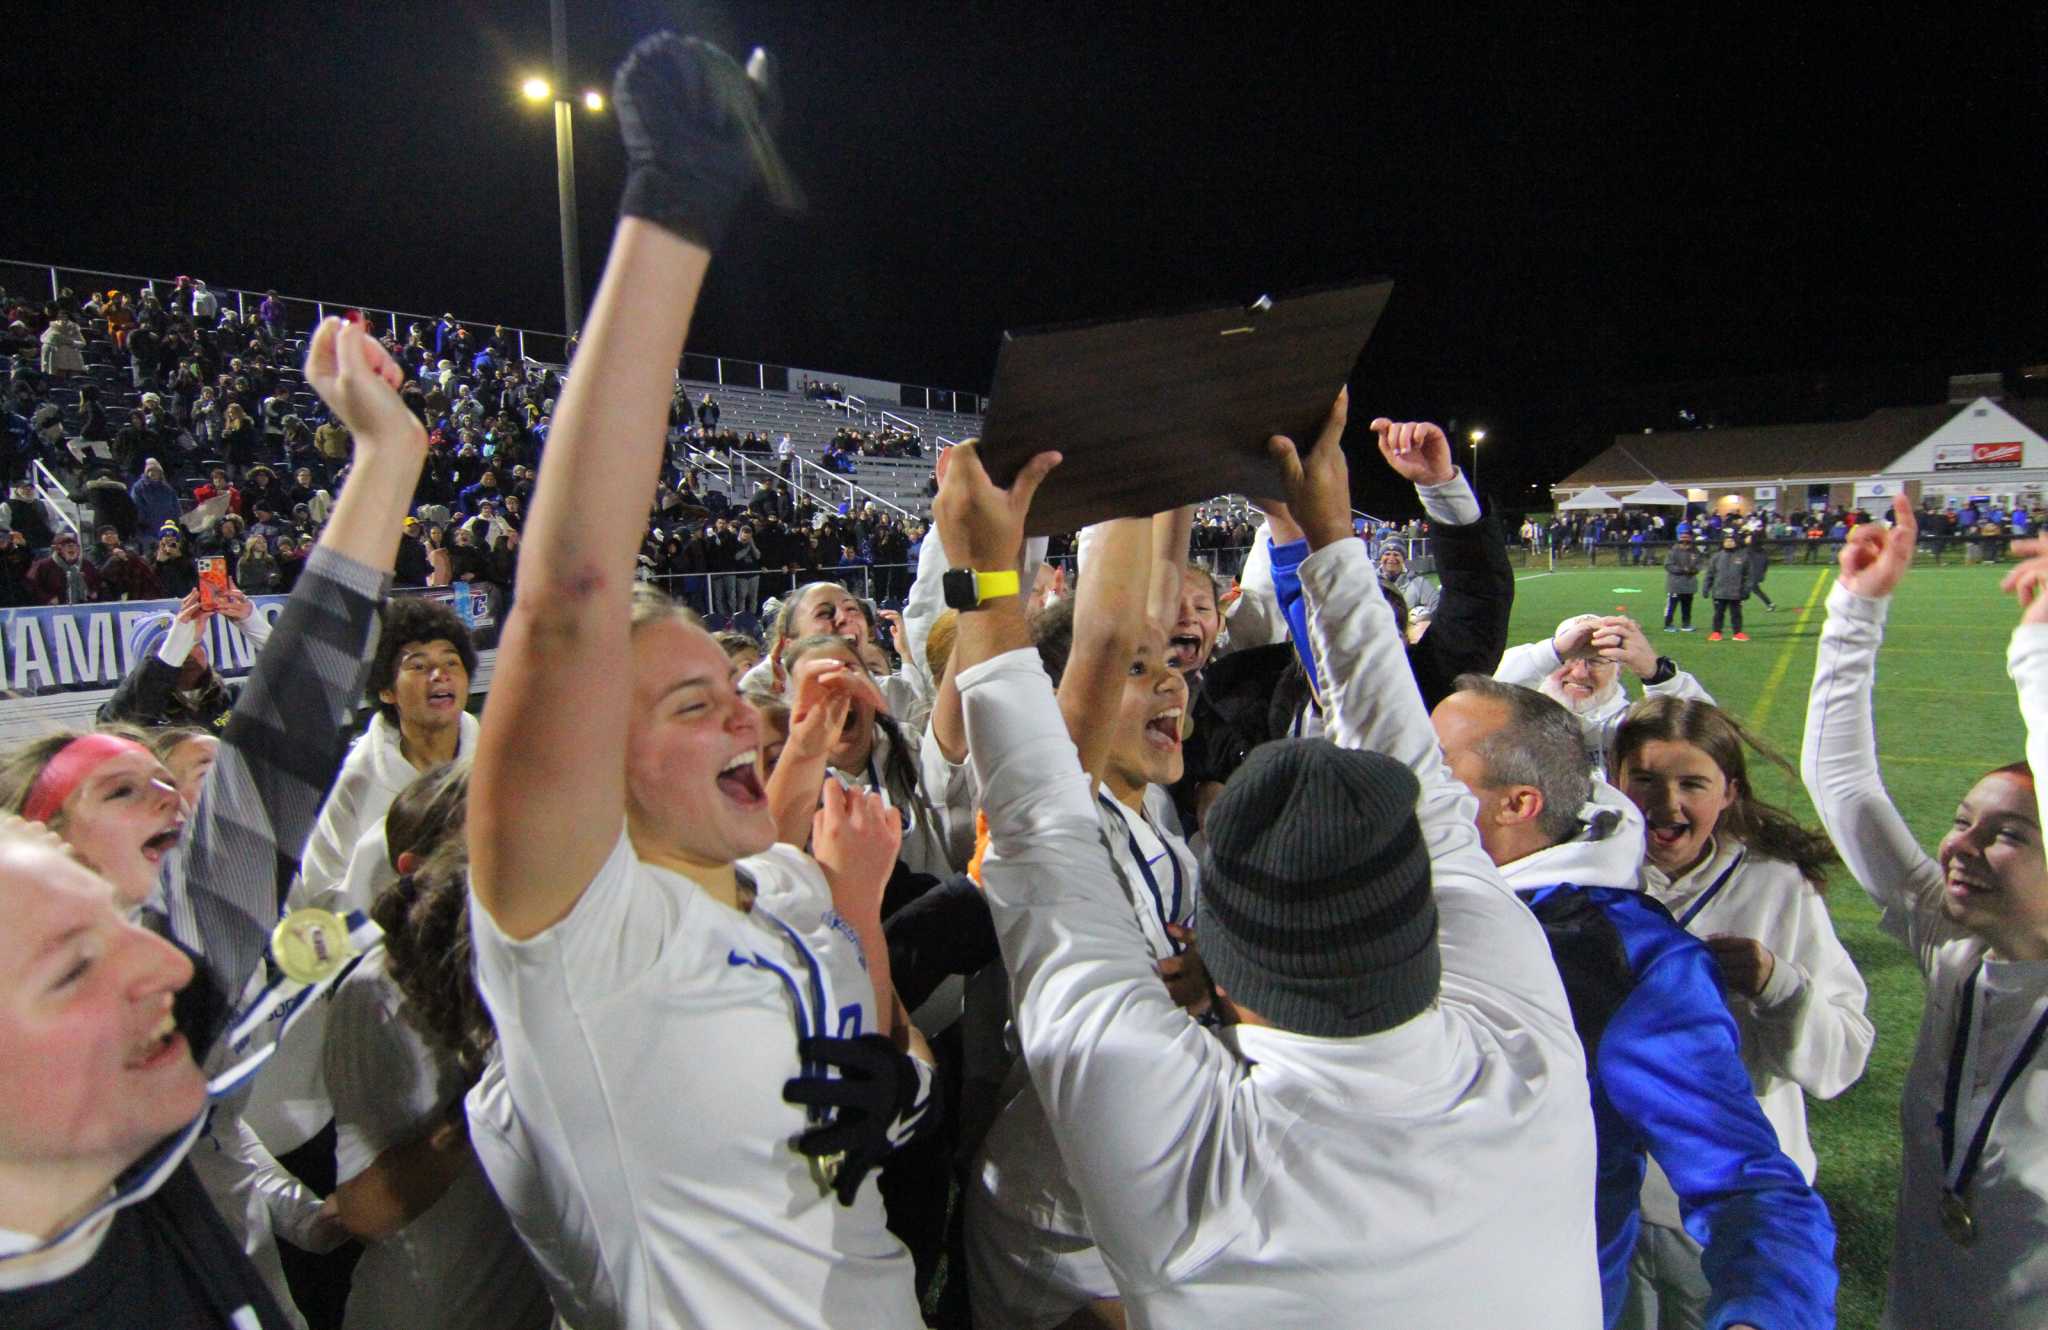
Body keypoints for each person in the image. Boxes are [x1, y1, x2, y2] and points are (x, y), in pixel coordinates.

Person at [940, 394, 1603, 1325]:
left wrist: (981, 580)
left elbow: (1037, 840)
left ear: (1217, 969)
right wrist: (1322, 534)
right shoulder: (1524, 1027)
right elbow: (1426, 793)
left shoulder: (1193, 1159)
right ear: (1429, 917)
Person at [464, 33, 933, 1329]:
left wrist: (902, 1069)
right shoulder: (579, 937)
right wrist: (674, 210)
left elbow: (889, 1068)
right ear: (588, 771)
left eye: (727, 690)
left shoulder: (781, 873)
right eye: (688, 704)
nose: (743, 707)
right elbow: (564, 607)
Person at [0, 314, 427, 1327]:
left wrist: (387, 455)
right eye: (71, 962)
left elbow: (270, 761)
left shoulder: (117, 1150)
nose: (159, 964)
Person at [1431, 676, 1836, 1329]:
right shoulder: (1415, 891)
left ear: (1517, 804)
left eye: (1434, 765)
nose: (1403, 775)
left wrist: (1765, 1312)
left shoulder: (1627, 960)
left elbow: (1746, 1183)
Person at [1802, 496, 2048, 1327]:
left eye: (2009, 834)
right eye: (1961, 820)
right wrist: (1855, 611)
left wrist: (2039, 651)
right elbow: (1845, 790)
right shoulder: (1955, 949)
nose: (1961, 847)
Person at [1612, 695, 1873, 1324]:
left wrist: (1779, 985)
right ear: (1614, 782)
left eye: (1691, 784)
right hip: (1605, 1194)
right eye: (1643, 780)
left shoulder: (1776, 886)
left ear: (1728, 793)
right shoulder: (1588, 877)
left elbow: (1843, 1060)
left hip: (1725, 1200)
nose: (1666, 803)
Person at [324, 763, 555, 1330]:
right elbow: (365, 1210)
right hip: (433, 1311)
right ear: (417, 870)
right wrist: (494, 1095)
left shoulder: (532, 959)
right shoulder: (376, 990)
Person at [297, 597, 478, 913]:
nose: (440, 674)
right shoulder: (354, 781)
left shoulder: (503, 765)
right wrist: (377, 864)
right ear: (386, 689)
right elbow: (322, 909)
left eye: (451, 662)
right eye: (418, 666)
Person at [1495, 613, 1712, 775]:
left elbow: (1708, 739)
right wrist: (1554, 650)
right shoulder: (1520, 717)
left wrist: (1655, 672)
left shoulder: (1629, 725)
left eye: (1597, 661)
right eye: (1570, 658)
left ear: (1619, 671)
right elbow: (1477, 689)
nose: (1579, 673)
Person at [1703, 533, 1753, 640]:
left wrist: (1747, 590)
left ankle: (1737, 633)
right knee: (1718, 614)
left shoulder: (1742, 557)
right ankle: (1716, 632)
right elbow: (1710, 574)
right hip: (1719, 592)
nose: (1729, 543)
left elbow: (1748, 575)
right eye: (1727, 541)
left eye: (1731, 541)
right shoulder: (1716, 557)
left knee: (1736, 614)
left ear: (1735, 543)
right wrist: (1706, 588)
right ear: (1723, 543)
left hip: (1736, 592)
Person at [1664, 525, 1701, 631]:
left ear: (1690, 537)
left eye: (1687, 536)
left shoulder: (1695, 551)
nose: (1684, 539)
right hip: (1675, 584)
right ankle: (1668, 624)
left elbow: (1699, 565)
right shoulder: (1673, 551)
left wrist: (1693, 570)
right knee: (1671, 606)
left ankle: (1686, 624)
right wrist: (1682, 570)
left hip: (1689, 584)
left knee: (1687, 606)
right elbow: (1668, 565)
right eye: (1682, 536)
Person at [1743, 530, 1776, 612]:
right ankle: (1770, 604)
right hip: (1757, 573)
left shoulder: (1749, 550)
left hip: (1753, 574)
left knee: (1746, 589)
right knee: (1755, 589)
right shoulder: (1761, 550)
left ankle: (1736, 604)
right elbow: (1766, 563)